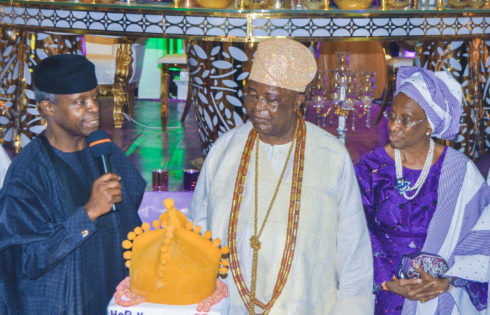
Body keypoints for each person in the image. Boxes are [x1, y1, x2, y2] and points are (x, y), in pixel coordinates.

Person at [188, 38, 374, 314]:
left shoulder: (330, 156)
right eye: (252, 95)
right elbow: (197, 230)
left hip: (305, 303)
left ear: (299, 101)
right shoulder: (225, 150)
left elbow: (352, 248)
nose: (258, 107)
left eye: (272, 99)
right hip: (231, 303)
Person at [0, 54, 145, 314]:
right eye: (80, 101)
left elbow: (131, 212)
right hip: (58, 304)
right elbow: (30, 260)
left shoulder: (104, 149)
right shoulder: (28, 173)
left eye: (94, 96)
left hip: (110, 293)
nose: (92, 107)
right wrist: (88, 213)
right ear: (49, 107)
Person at [355, 66, 490, 314]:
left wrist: (449, 280)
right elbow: (354, 231)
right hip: (384, 295)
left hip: (440, 297)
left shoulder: (459, 171)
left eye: (405, 120)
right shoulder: (370, 168)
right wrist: (388, 282)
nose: (394, 126)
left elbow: (483, 237)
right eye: (392, 115)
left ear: (429, 125)